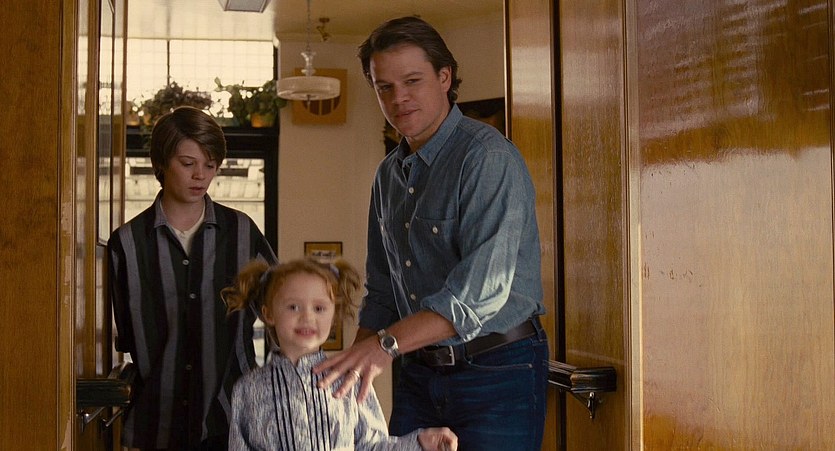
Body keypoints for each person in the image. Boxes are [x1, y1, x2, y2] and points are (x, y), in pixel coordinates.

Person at [313, 16, 550, 450]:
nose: (398, 98)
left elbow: (477, 294)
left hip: (498, 372)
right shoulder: (387, 175)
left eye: (412, 81)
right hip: (418, 373)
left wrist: (383, 346)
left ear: (444, 77)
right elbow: (383, 290)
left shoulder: (487, 157)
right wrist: (351, 367)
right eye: (384, 87)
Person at [107, 106, 278, 450]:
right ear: (161, 163)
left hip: (233, 421)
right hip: (158, 425)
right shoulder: (126, 244)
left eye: (210, 165)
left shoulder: (242, 232)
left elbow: (281, 310)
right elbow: (126, 337)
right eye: (188, 163)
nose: (200, 175)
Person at [222, 258, 458, 451]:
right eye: (293, 307)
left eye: (319, 308)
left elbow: (373, 446)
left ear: (333, 315)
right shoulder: (247, 389)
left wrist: (419, 443)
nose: (307, 317)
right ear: (268, 314)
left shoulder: (350, 380)